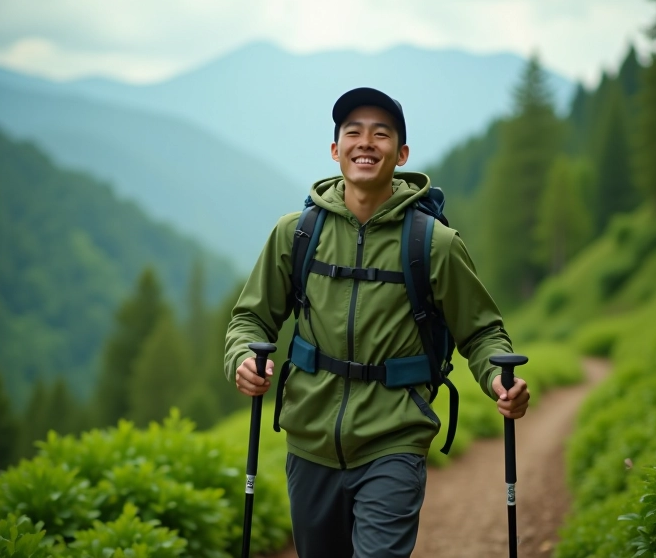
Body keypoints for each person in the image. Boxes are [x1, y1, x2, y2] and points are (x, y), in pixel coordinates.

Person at [224, 86, 530, 557]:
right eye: (354, 132)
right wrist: (244, 358)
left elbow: (482, 330)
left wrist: (498, 377)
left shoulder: (434, 244)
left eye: (381, 134)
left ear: (401, 153)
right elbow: (251, 319)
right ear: (335, 149)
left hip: (395, 438)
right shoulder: (297, 234)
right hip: (310, 440)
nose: (366, 142)